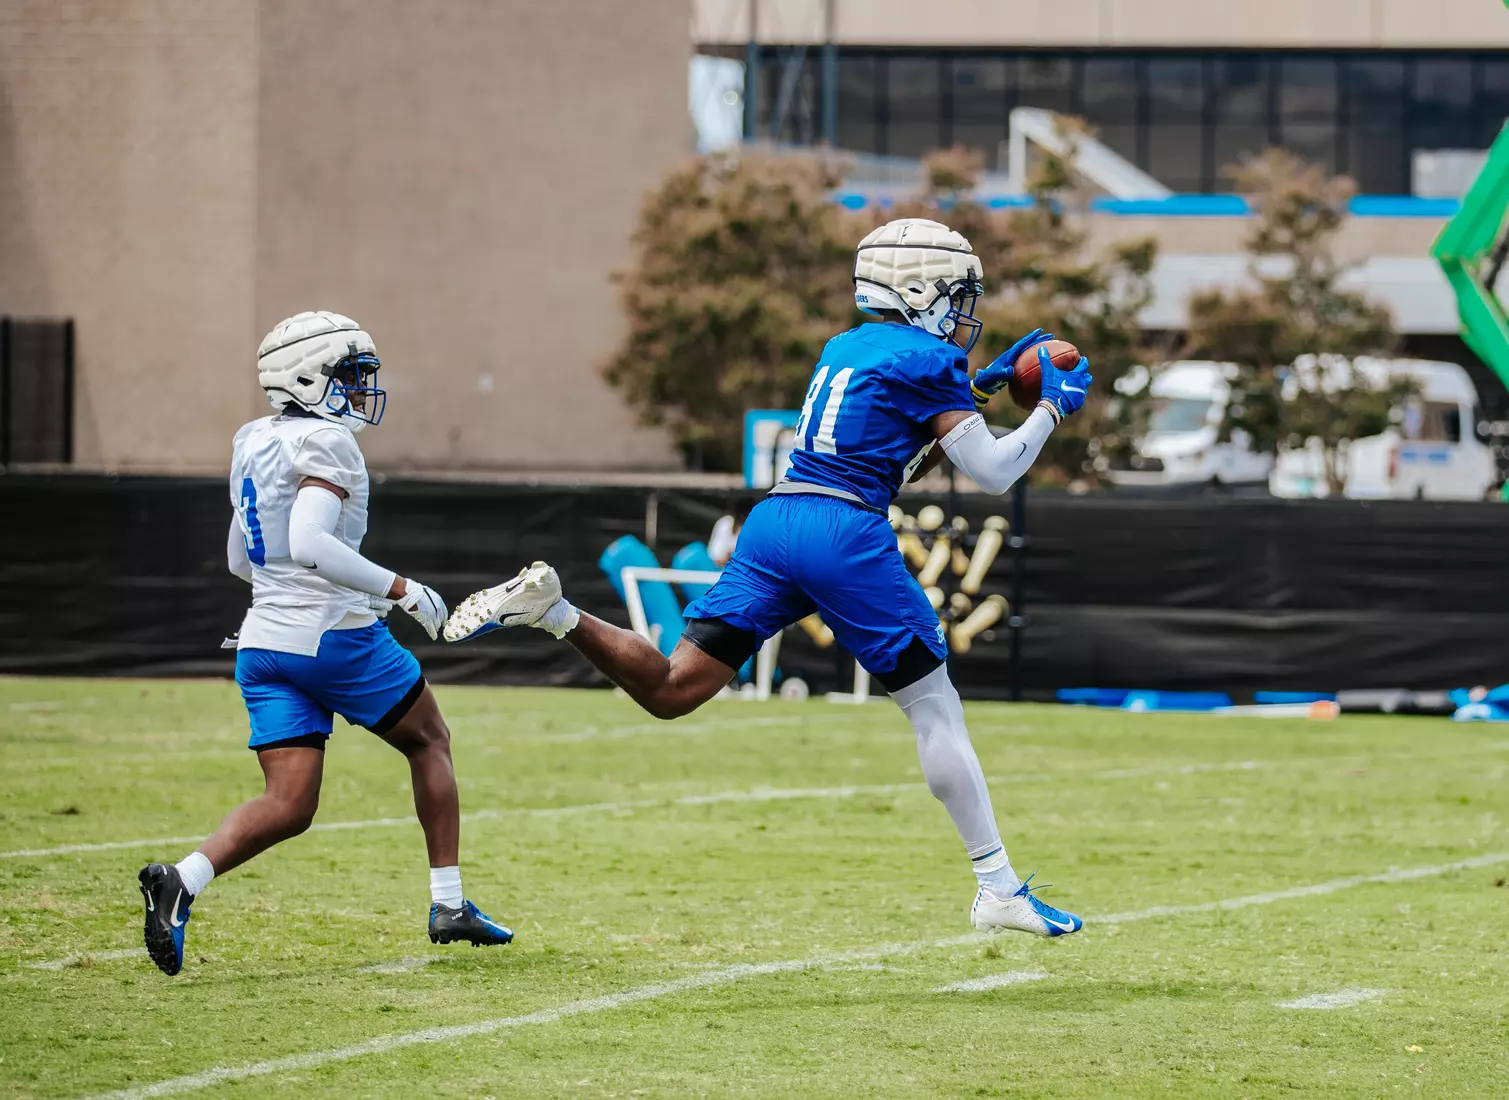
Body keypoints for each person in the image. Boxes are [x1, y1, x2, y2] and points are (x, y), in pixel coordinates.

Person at [446, 219, 1092, 937]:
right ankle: (996, 887)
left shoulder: (845, 347)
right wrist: (1048, 410)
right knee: (933, 707)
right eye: (957, 293)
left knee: (672, 689)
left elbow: (895, 449)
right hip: (842, 533)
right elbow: (995, 473)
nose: (964, 309)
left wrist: (979, 390)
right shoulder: (924, 361)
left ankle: (558, 612)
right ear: (919, 291)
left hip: (777, 522)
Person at [137, 310, 513, 977]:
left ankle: (182, 881)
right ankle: (448, 904)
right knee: (429, 740)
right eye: (349, 374)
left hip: (261, 643)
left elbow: (238, 560)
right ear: (305, 375)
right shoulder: (328, 442)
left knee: (289, 804)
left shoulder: (252, 438)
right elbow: (311, 544)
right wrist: (398, 589)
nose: (360, 388)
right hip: (333, 639)